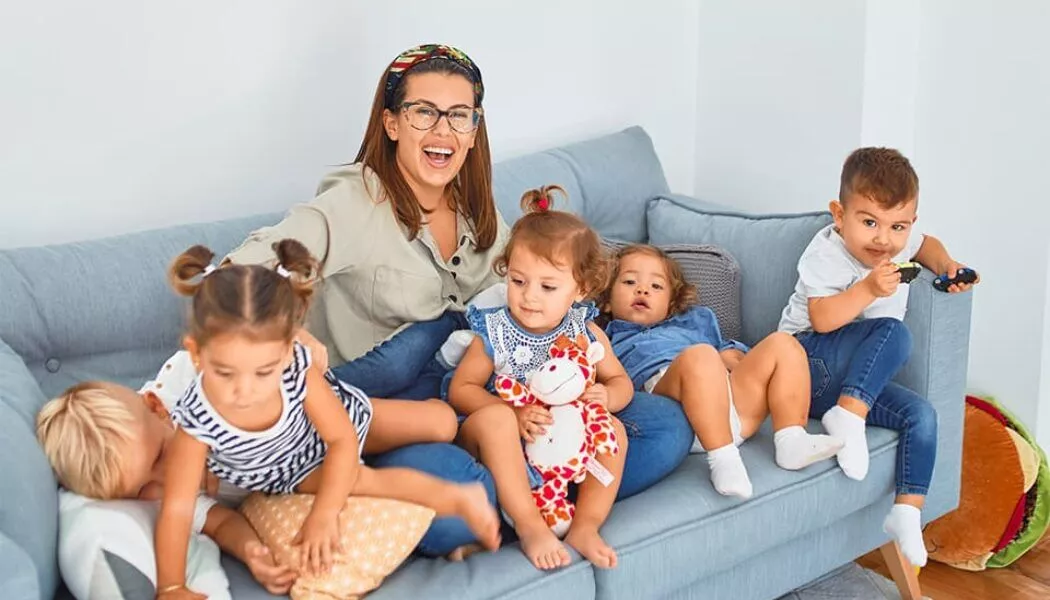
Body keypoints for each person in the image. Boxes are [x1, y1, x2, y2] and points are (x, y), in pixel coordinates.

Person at [223, 43, 696, 554]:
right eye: (424, 112)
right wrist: (289, 334)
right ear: (392, 123)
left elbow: (546, 288)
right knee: (458, 507)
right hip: (395, 408)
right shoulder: (353, 202)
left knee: (665, 426)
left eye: (458, 115)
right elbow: (235, 275)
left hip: (489, 393)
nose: (443, 131)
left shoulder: (476, 208)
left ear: (474, 129)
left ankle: (533, 494)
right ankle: (527, 497)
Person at [152, 240, 499, 598]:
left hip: (338, 426)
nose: (245, 391)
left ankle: (444, 390)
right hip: (296, 473)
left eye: (263, 372)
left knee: (442, 423)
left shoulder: (297, 371)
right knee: (363, 480)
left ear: (288, 351)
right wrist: (171, 585)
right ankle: (459, 497)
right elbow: (177, 509)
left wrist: (325, 513)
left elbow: (342, 439)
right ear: (196, 354)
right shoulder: (195, 423)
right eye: (225, 373)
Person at [778, 147, 979, 567]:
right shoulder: (826, 252)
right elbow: (822, 319)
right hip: (804, 366)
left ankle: (906, 512)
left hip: (851, 383)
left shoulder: (899, 246)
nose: (883, 239)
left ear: (910, 224)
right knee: (893, 332)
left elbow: (928, 246)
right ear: (839, 215)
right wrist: (868, 289)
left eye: (897, 227)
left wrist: (946, 265)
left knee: (921, 415)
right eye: (869, 222)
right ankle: (848, 417)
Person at [448, 185, 629, 570]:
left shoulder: (584, 333)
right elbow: (460, 389)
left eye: (547, 287)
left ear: (580, 289)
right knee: (496, 420)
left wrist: (608, 397)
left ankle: (586, 525)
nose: (529, 296)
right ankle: (529, 525)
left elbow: (620, 382)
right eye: (518, 281)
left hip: (558, 443)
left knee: (614, 430)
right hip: (497, 439)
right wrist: (512, 414)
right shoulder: (495, 331)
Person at [602, 244, 843, 499]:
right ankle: (724, 460)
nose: (642, 290)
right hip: (676, 412)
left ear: (671, 303)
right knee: (700, 355)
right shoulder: (604, 338)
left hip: (732, 407)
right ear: (606, 301)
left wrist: (732, 355)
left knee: (783, 343)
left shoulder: (695, 322)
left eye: (656, 286)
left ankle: (792, 440)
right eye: (629, 282)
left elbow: (727, 350)